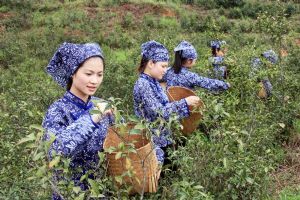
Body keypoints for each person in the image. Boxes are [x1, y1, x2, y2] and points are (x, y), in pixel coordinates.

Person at [42, 42, 114, 199]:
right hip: (70, 193)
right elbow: (54, 152)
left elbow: (117, 143)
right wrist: (93, 118)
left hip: (102, 192)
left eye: (99, 74)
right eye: (88, 74)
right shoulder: (58, 111)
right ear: (73, 72)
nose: (94, 80)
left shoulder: (102, 105)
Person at [133, 40, 200, 164]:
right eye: (163, 66)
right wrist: (185, 102)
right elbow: (160, 112)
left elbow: (165, 105)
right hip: (153, 143)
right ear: (151, 63)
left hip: (164, 138)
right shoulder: (143, 85)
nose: (165, 70)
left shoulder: (154, 82)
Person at [163, 40, 230, 91]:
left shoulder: (168, 71)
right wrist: (226, 85)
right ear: (189, 60)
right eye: (195, 60)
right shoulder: (190, 76)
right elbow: (209, 83)